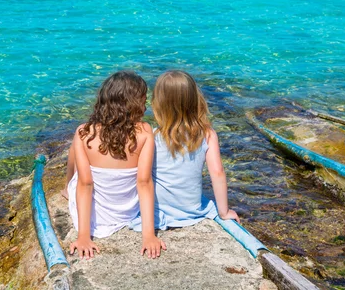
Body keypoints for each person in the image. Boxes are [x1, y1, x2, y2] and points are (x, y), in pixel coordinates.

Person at [64, 71, 166, 259]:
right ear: (134, 104)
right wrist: (149, 235)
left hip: (97, 216)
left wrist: (84, 236)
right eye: (144, 101)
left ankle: (66, 186)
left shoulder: (84, 132)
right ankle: (68, 185)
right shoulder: (144, 131)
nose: (145, 107)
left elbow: (86, 185)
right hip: (127, 211)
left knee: (76, 148)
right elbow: (144, 183)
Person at [133, 70, 239, 231]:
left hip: (157, 211)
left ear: (157, 103)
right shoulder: (207, 134)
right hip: (192, 210)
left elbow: (140, 176)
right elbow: (217, 173)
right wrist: (223, 212)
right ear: (195, 99)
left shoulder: (152, 136)